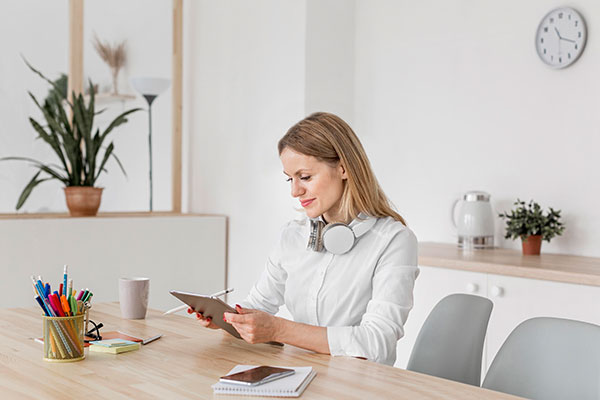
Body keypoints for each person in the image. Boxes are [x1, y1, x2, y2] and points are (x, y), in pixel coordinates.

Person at [190, 112, 418, 366]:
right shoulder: (292, 235)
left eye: (305, 177)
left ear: (343, 168)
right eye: (290, 178)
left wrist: (278, 330)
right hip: (298, 374)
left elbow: (377, 342)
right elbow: (259, 303)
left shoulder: (393, 240)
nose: (294, 191)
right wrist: (227, 318)